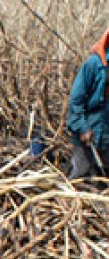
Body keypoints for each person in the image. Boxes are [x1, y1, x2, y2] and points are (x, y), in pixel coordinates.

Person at [67, 27, 109, 179]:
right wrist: (82, 128)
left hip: (107, 136)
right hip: (89, 134)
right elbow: (75, 100)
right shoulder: (93, 64)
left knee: (103, 180)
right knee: (81, 177)